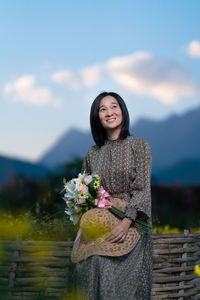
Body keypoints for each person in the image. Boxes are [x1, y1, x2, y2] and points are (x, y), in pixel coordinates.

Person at [71, 92, 153, 299]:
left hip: (132, 220)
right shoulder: (92, 153)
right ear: (96, 117)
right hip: (101, 220)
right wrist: (83, 218)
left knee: (103, 262)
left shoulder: (139, 146)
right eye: (102, 109)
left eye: (114, 106)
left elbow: (143, 189)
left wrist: (126, 221)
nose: (109, 112)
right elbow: (86, 190)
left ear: (122, 111)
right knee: (88, 262)